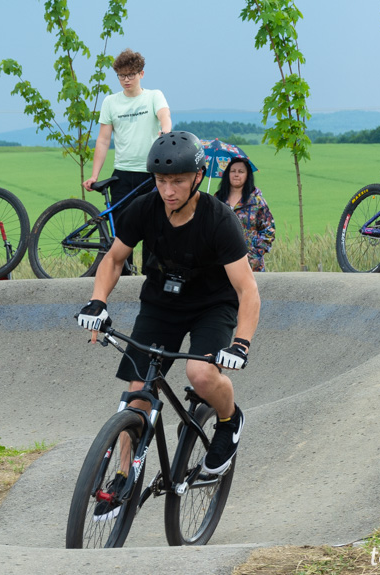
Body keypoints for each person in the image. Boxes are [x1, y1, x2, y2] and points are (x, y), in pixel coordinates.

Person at [77, 131, 260, 520]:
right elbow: (112, 261)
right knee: (137, 395)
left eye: (177, 181)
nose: (168, 190)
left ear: (197, 177)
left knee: (201, 374)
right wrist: (98, 300)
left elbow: (247, 290)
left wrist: (241, 343)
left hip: (212, 306)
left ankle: (229, 420)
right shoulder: (145, 208)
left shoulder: (219, 219)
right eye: (161, 181)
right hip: (161, 304)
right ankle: (123, 478)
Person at [83, 49, 172, 273]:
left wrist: (165, 131)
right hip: (122, 175)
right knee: (124, 231)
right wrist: (94, 174)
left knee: (153, 226)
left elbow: (165, 116)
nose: (126, 80)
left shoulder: (153, 96)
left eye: (131, 74)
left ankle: (149, 276)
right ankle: (124, 276)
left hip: (150, 173)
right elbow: (103, 141)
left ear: (141, 74)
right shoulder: (111, 102)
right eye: (121, 76)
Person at [214, 157, 275, 272]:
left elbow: (269, 232)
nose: (236, 174)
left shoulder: (256, 201)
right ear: (227, 174)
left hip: (250, 267)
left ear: (247, 175)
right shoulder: (217, 201)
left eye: (241, 172)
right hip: (221, 265)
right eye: (233, 171)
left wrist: (254, 256)